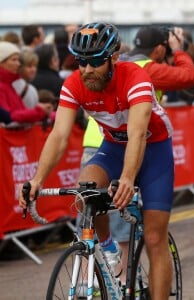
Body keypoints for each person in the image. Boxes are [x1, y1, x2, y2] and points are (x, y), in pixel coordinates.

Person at [18, 22, 174, 300]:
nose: (87, 69)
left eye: (95, 61)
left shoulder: (135, 78)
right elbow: (59, 135)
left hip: (153, 150)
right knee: (84, 191)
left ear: (114, 57)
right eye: (81, 61)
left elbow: (138, 134)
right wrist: (37, 179)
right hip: (114, 146)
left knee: (153, 238)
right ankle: (109, 248)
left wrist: (127, 178)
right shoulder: (74, 83)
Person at [0, 41, 53, 125]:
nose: (18, 64)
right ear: (1, 62)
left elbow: (19, 111)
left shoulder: (9, 84)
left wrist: (39, 109)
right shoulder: (4, 86)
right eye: (14, 60)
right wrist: (39, 111)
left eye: (18, 60)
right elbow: (9, 117)